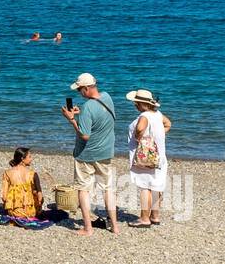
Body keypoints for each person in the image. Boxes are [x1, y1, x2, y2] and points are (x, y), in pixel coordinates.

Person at [62, 72, 119, 236]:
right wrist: (81, 114)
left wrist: (72, 120)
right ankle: (115, 227)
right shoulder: (107, 97)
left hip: (86, 154)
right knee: (108, 189)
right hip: (106, 152)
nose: (79, 92)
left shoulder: (88, 107)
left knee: (83, 190)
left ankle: (88, 228)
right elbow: (99, 116)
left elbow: (85, 135)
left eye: (79, 89)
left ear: (86, 88)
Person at [125, 88, 171, 227]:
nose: (135, 105)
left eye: (136, 103)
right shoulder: (158, 114)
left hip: (144, 157)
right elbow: (168, 124)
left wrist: (139, 138)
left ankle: (144, 218)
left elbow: (140, 128)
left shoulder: (144, 116)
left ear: (142, 104)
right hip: (159, 156)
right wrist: (157, 137)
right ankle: (155, 216)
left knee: (145, 187)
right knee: (157, 186)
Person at [1, 147, 44, 219]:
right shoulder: (33, 174)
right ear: (22, 159)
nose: (31, 159)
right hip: (31, 212)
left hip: (14, 213)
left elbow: (4, 197)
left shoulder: (7, 173)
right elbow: (40, 198)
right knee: (36, 193)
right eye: (29, 157)